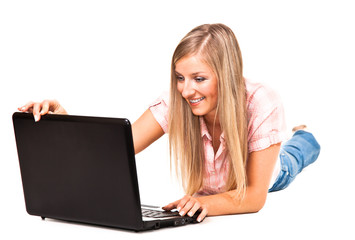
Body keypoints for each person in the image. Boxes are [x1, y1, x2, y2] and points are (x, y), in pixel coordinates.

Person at [18, 23, 320, 223]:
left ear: (225, 76)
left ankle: (303, 134)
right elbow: (115, 148)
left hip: (268, 175)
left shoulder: (262, 102)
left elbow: (255, 196)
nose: (186, 90)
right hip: (216, 189)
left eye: (199, 79)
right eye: (180, 78)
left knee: (291, 159)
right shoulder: (177, 103)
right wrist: (62, 120)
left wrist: (207, 205)